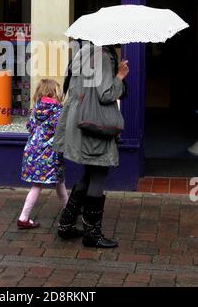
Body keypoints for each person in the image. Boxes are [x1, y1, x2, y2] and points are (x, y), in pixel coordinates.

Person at [53, 41, 129, 248]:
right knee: (98, 173)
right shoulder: (103, 57)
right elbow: (106, 95)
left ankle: (66, 225)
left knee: (89, 173)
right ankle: (92, 234)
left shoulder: (83, 53)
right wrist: (120, 76)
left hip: (80, 121)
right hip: (94, 124)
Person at [17, 79, 69, 229]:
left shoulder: (35, 109)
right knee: (49, 183)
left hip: (32, 152)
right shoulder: (59, 111)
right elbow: (61, 131)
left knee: (56, 182)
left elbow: (29, 127)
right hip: (50, 155)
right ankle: (24, 217)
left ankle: (69, 209)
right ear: (55, 93)